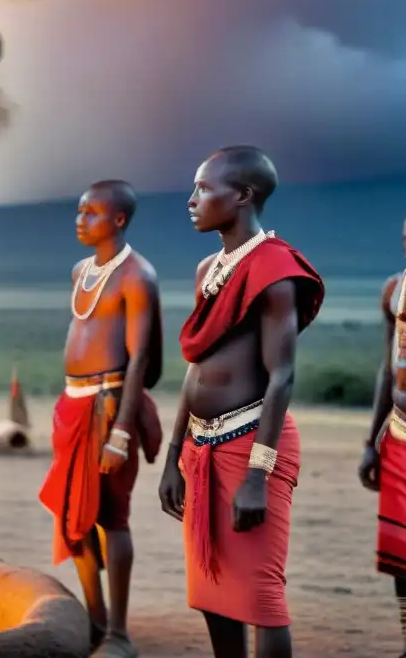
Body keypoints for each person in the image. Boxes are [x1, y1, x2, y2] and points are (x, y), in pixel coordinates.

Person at [157, 146, 324, 658]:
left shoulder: (276, 269)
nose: (191, 200)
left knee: (258, 596)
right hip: (200, 448)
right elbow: (196, 366)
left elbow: (283, 376)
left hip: (253, 444)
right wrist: (172, 457)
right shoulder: (210, 266)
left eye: (204, 189)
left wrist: (258, 474)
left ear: (243, 196)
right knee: (213, 593)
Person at [38, 180, 163, 658]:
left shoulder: (137, 276)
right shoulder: (79, 271)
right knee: (75, 519)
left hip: (109, 408)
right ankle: (95, 620)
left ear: (119, 220)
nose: (80, 219)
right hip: (72, 406)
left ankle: (120, 634)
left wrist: (123, 431)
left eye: (91, 212)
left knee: (112, 517)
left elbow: (139, 358)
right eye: (78, 210)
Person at [359, 216, 406, 656]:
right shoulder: (394, 289)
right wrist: (369, 441)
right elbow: (386, 368)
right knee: (401, 555)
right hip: (398, 435)